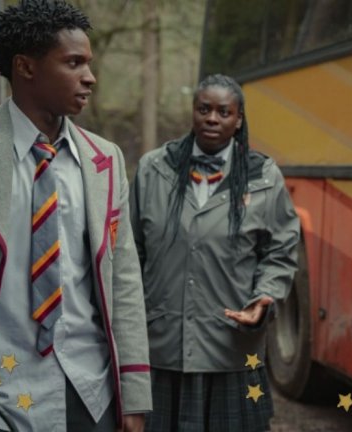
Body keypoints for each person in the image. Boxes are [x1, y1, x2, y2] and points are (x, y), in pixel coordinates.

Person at [0, 1, 151, 431]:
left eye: (89, 63)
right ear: (26, 68)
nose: (90, 77)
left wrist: (133, 395)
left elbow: (124, 281)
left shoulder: (106, 159)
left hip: (90, 391)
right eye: (73, 62)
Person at [129, 74, 300, 432]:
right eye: (204, 109)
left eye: (224, 112)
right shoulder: (153, 169)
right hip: (161, 347)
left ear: (239, 120)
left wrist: (264, 297)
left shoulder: (264, 176)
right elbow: (130, 252)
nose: (212, 118)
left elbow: (281, 251)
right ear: (193, 112)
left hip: (231, 350)